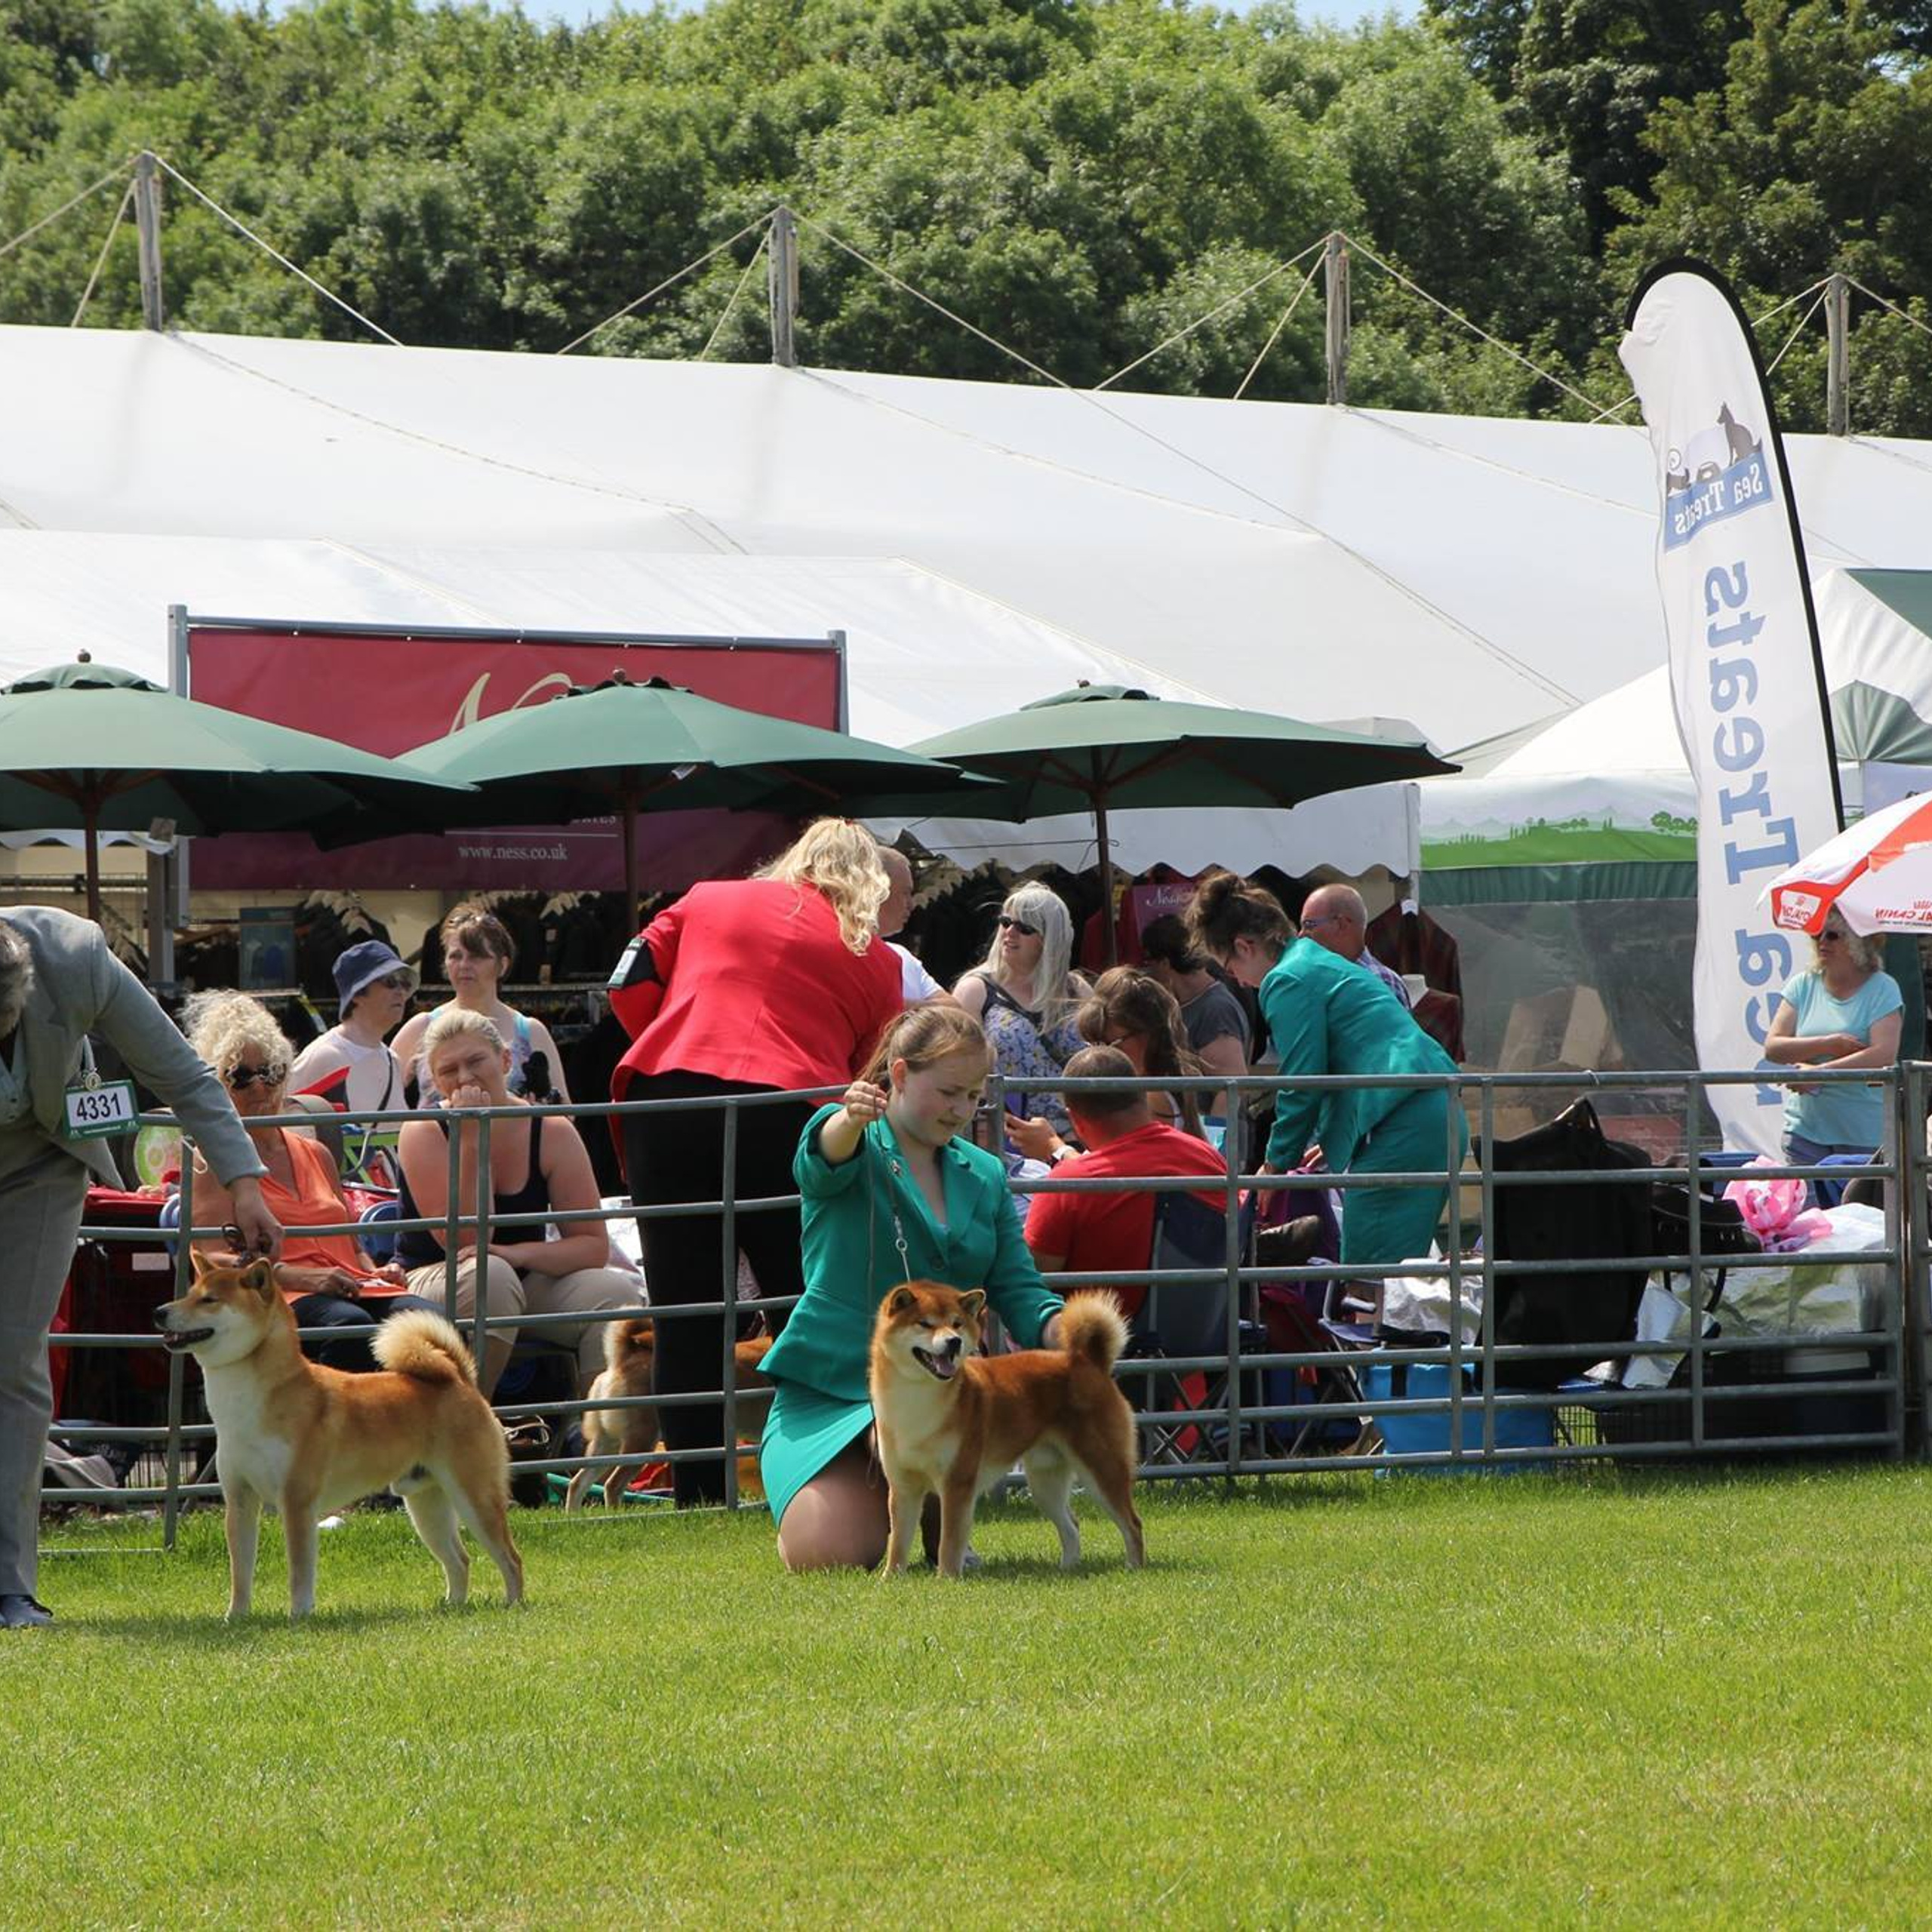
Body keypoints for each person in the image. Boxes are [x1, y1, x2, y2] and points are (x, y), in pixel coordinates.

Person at [609, 818, 904, 1506]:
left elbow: (628, 988)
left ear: (793, 858)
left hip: (669, 1096)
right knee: (805, 1306)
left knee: (685, 1315)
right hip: (792, 1109)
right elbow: (872, 1067)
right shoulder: (879, 957)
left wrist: (681, 1037)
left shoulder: (706, 897)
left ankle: (701, 1498)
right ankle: (824, 1485)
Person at [0, 909, 281, 1631]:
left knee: (12, 1358)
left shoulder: (78, 958)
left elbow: (181, 1074)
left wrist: (245, 1183)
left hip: (40, 1163)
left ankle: (10, 1589)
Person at [758, 1004, 1065, 1571]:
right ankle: (911, 1509)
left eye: (974, 1096)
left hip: (937, 1393)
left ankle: (931, 1517)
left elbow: (1019, 1288)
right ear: (898, 1076)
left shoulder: (988, 1174)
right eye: (948, 1091)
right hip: (830, 1389)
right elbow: (820, 1164)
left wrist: (1064, 1331)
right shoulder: (851, 1138)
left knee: (903, 1445)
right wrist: (849, 1118)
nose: (961, 1110)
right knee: (827, 1554)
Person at [1186, 869, 1463, 1269]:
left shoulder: (1285, 979)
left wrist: (1274, 1165)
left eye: (1229, 968)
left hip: (1405, 1124)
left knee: (1368, 1281)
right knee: (1393, 1277)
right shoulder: (1310, 961)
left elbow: (1303, 1080)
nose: (1239, 983)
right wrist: (1334, 1137)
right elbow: (1346, 1061)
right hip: (1428, 1114)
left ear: (1245, 946)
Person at [182, 992, 440, 1373]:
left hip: (351, 1285)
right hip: (275, 1296)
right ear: (217, 1084)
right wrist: (307, 1278)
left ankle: (420, 1430)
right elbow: (214, 1260)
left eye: (270, 1072)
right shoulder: (211, 1161)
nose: (259, 1088)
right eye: (240, 1077)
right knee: (351, 1329)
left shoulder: (315, 1153)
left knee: (433, 1327)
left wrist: (377, 1270)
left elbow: (352, 1245)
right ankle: (339, 1430)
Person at [395, 1008, 634, 1399]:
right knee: (492, 1276)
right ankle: (472, 1420)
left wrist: (516, 1253)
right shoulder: (422, 1131)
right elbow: (467, 1239)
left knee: (613, 1291)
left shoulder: (551, 1129)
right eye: (449, 1070)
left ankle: (592, 1441)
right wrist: (474, 1141)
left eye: (476, 1061)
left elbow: (592, 1246)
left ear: (506, 1060)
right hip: (438, 1278)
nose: (465, 1078)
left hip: (517, 1277)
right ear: (435, 1082)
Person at [1024, 1045, 1229, 1321]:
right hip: (1199, 1349)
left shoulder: (1068, 1185)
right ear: (1143, 1096)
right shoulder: (1208, 1158)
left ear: (1074, 1118)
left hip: (1098, 1354)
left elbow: (1030, 1281)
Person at [953, 883, 1090, 1158]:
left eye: (1025, 927)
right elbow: (956, 1070)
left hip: (1078, 1141)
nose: (1009, 932)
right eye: (1006, 922)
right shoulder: (976, 990)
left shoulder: (1078, 990)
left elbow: (1100, 1063)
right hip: (1006, 1145)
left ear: (1050, 938)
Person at [392, 906, 571, 1109]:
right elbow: (380, 1100)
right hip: (438, 1140)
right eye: (455, 956)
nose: (464, 965)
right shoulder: (420, 1027)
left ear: (502, 965)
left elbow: (565, 1112)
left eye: (476, 956)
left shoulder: (530, 1031)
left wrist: (535, 1110)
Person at [1764, 915, 1903, 1165]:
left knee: (1858, 1206)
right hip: (1804, 1132)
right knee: (1808, 1206)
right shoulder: (1802, 985)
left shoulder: (1883, 988)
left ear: (1859, 942)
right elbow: (1773, 1047)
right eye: (1817, 934)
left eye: (1833, 935)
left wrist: (1819, 1073)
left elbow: (1883, 1055)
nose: (1822, 942)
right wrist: (1829, 1044)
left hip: (1862, 1135)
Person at [286, 938, 417, 1183]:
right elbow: (286, 1128)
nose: (401, 991)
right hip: (340, 1196)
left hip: (387, 1196)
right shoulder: (324, 1055)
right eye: (390, 982)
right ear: (357, 994)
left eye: (404, 983)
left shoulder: (393, 1059)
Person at [1138, 915, 1252, 1079]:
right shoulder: (1186, 1004)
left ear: (1164, 963)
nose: (1147, 970)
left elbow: (1230, 1088)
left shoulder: (1216, 1011)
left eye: (1148, 961)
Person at [1296, 883, 1412, 1010]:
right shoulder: (1322, 979)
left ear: (1341, 924)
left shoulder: (1380, 982)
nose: (1301, 935)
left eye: (1309, 925)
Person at [879, 846, 955, 1007]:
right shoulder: (842, 954)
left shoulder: (902, 955)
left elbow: (953, 1009)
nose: (911, 904)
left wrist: (896, 1007)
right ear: (878, 892)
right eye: (905, 893)